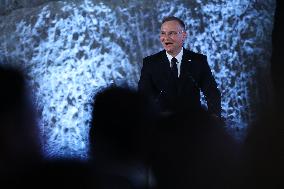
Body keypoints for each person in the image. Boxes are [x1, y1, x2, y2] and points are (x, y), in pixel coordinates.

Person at [138, 16, 221, 119]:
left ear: (184, 35)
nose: (166, 38)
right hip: (162, 126)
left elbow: (211, 92)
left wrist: (214, 117)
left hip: (193, 125)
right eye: (163, 33)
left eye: (171, 33)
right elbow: (143, 98)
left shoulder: (198, 61)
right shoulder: (150, 63)